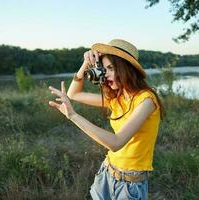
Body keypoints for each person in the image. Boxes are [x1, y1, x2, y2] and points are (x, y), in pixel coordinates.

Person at [48, 39, 165, 200]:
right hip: (107, 172)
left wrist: (73, 116)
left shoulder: (146, 100)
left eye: (111, 68)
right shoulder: (116, 98)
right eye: (104, 69)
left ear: (126, 68)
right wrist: (85, 65)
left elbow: (116, 142)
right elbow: (73, 94)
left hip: (130, 185)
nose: (106, 73)